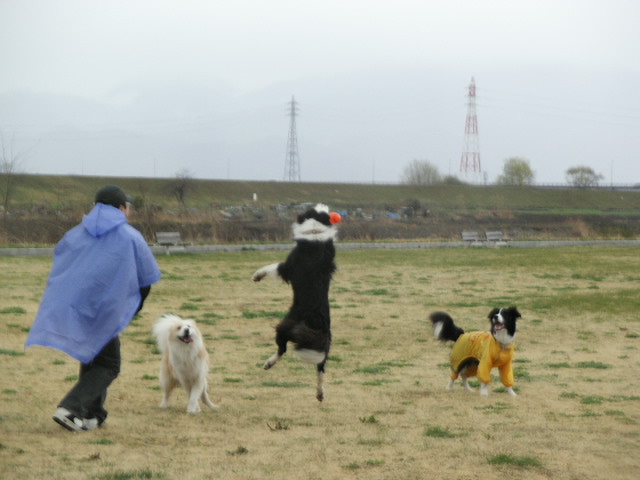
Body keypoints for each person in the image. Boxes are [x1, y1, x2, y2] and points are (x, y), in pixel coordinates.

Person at [25, 185, 161, 432]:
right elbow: (146, 279)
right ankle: (70, 408)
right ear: (122, 208)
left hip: (75, 306)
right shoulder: (130, 236)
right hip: (106, 310)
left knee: (91, 354)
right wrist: (132, 308)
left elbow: (62, 267)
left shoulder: (74, 235)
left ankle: (92, 415)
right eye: (127, 207)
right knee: (109, 365)